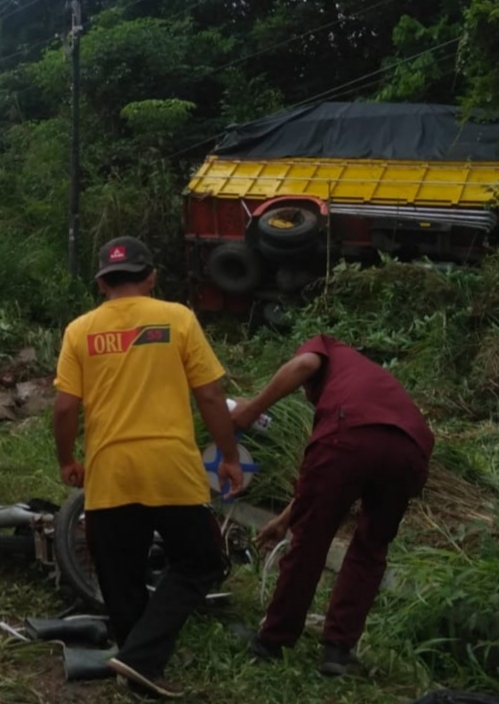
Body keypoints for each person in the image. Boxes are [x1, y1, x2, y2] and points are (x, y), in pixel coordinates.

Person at [52, 236, 244, 699]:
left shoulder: (80, 330)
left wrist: (67, 460)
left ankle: (136, 660)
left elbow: (63, 408)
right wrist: (230, 457)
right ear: (152, 276)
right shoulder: (177, 318)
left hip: (109, 470)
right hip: (170, 468)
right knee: (201, 562)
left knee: (121, 576)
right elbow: (212, 396)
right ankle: (141, 665)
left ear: (101, 284)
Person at [232, 334, 434, 677]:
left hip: (349, 433)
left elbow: (305, 365)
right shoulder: (369, 380)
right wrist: (284, 519)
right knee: (371, 548)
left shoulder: (324, 345)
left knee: (310, 542)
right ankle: (338, 652)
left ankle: (272, 640)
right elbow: (323, 489)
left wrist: (250, 410)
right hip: (411, 448)